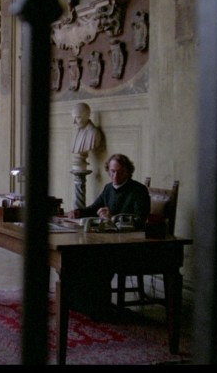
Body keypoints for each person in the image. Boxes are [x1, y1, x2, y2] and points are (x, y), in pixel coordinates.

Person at [67, 153, 151, 320]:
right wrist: (79, 212)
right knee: (78, 256)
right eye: (112, 171)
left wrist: (112, 217)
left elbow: (140, 220)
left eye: (119, 172)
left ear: (128, 171)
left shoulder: (139, 190)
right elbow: (94, 208)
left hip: (130, 246)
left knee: (98, 259)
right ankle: (82, 303)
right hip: (109, 241)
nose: (115, 176)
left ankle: (100, 307)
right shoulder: (108, 188)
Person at [71, 102, 102, 172]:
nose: (74, 122)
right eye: (73, 118)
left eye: (78, 117)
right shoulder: (77, 131)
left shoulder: (94, 133)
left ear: (87, 116)